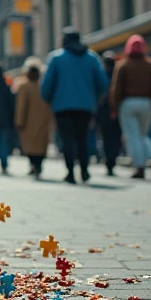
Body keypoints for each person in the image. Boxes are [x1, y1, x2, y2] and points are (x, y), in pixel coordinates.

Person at [41, 27, 109, 185]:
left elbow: (46, 85)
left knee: (66, 140)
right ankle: (84, 170)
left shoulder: (56, 58)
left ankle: (70, 172)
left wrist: (49, 99)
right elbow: (103, 83)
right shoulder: (91, 58)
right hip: (85, 106)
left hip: (62, 106)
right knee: (82, 138)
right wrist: (94, 98)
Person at [112, 35, 151, 179]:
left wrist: (114, 108)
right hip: (146, 104)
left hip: (128, 104)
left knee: (133, 136)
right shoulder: (150, 65)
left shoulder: (123, 65)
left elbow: (116, 89)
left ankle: (139, 166)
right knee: (143, 135)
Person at [14, 57, 51, 179]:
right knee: (41, 145)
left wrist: (19, 120)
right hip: (43, 120)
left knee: (30, 146)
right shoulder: (43, 85)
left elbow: (21, 105)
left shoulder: (25, 86)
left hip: (28, 121)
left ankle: (33, 164)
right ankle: (38, 165)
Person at [96, 51, 122, 176]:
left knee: (106, 137)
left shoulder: (102, 74)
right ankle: (112, 159)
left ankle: (108, 160)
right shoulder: (119, 73)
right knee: (116, 137)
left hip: (105, 110)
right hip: (116, 110)